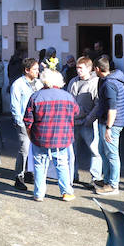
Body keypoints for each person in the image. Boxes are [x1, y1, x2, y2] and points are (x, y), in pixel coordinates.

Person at [24, 68, 77, 202]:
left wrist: (30, 135)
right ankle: (66, 192)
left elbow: (28, 121)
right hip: (62, 138)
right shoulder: (68, 96)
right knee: (62, 165)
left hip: (40, 138)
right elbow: (76, 113)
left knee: (39, 166)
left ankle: (39, 194)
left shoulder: (35, 97)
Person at [87, 55, 124, 196]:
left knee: (111, 154)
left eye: (94, 69)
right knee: (104, 152)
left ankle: (113, 185)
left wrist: (108, 128)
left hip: (112, 124)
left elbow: (112, 108)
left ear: (98, 69)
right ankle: (107, 180)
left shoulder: (109, 84)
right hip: (110, 122)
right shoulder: (111, 80)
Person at [66, 56, 102, 190]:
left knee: (95, 150)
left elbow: (98, 104)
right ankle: (72, 175)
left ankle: (96, 177)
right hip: (73, 122)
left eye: (81, 68)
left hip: (88, 122)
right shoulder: (73, 82)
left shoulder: (95, 82)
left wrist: (89, 119)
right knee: (71, 150)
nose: (78, 71)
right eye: (77, 68)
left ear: (89, 68)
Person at [10, 57, 42, 191]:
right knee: (24, 148)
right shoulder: (18, 84)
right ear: (27, 70)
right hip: (24, 121)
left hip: (37, 121)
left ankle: (30, 172)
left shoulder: (39, 83)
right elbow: (15, 104)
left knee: (34, 149)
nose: (37, 72)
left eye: (38, 69)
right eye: (34, 69)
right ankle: (19, 176)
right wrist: (19, 121)